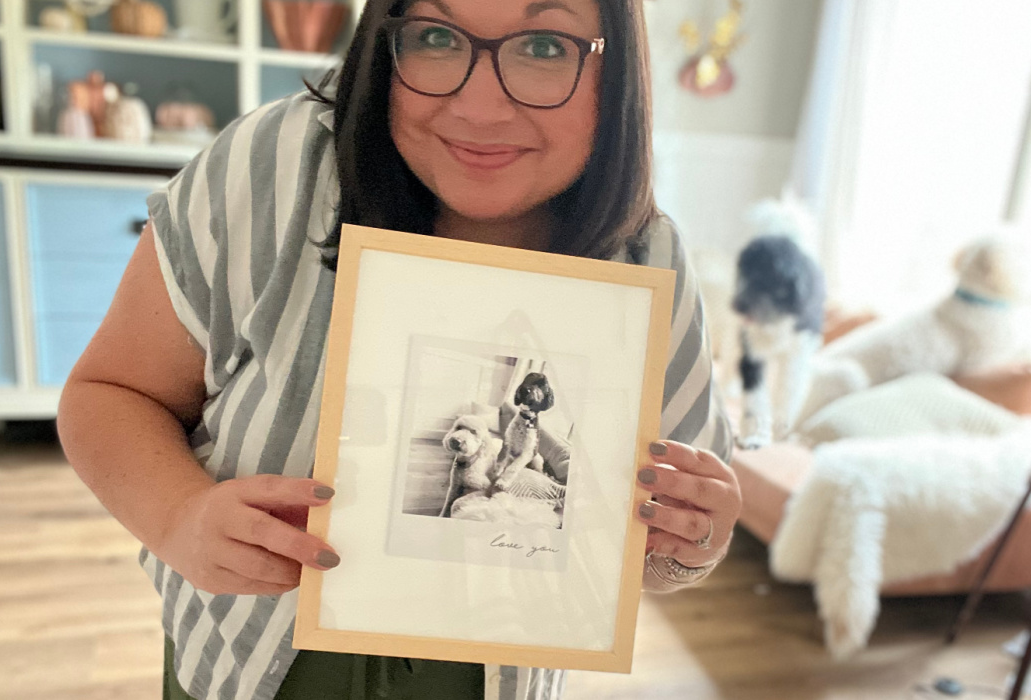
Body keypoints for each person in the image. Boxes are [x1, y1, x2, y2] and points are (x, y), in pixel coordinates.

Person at [57, 0, 743, 698]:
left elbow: (651, 553)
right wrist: (178, 517)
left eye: (543, 47)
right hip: (240, 663)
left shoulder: (647, 263)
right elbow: (109, 394)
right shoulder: (276, 168)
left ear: (617, 68)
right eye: (437, 37)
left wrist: (689, 547)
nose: (480, 106)